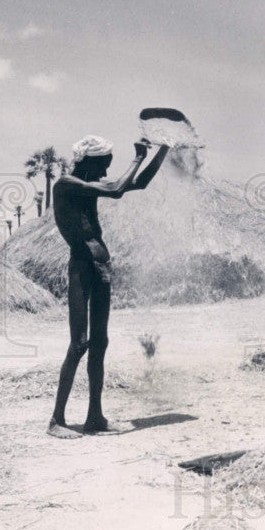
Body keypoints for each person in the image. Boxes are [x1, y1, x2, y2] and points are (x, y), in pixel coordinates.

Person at [47, 135, 170, 438]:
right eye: (103, 165)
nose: (105, 172)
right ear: (88, 161)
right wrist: (138, 157)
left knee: (100, 343)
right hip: (81, 268)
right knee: (79, 343)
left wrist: (163, 150)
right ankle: (56, 421)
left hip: (101, 267)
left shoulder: (90, 187)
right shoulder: (66, 184)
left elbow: (137, 185)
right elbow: (116, 189)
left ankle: (94, 418)